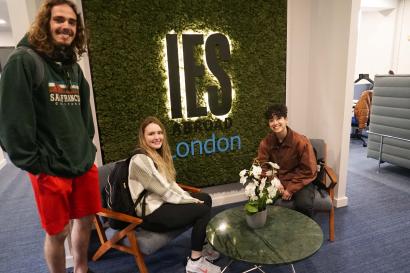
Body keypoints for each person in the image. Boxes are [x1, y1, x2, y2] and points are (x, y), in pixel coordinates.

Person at [0, 1, 100, 272]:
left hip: (81, 162)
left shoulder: (72, 68)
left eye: (71, 22)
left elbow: (84, 118)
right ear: (46, 23)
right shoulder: (24, 61)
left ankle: (81, 268)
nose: (66, 26)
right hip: (49, 169)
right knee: (58, 232)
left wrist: (86, 148)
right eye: (59, 20)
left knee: (85, 219)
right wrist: (36, 164)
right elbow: (11, 125)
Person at [129, 116, 221, 273]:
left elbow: (170, 185)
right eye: (151, 134)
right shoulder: (140, 159)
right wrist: (189, 201)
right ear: (143, 137)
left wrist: (189, 198)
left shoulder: (155, 155)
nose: (157, 137)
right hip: (149, 213)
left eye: (159, 132)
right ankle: (195, 262)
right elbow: (164, 191)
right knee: (203, 210)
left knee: (205, 198)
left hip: (159, 202)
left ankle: (202, 246)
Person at [257, 104, 317, 217]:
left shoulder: (301, 141)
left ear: (286, 120)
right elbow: (263, 166)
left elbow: (308, 170)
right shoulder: (265, 143)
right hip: (277, 180)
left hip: (300, 181)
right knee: (261, 201)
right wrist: (275, 181)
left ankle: (304, 233)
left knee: (303, 204)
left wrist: (290, 189)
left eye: (279, 118)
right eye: (271, 120)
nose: (275, 123)